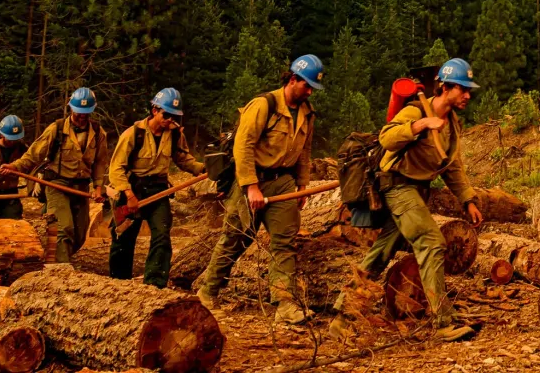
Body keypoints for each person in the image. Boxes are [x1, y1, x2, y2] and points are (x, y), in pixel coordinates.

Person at [354, 57, 482, 339]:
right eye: (463, 89)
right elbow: (386, 138)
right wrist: (420, 125)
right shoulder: (416, 110)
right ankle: (442, 322)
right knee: (432, 243)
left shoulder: (452, 124)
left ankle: (343, 313)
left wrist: (467, 200)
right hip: (397, 186)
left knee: (381, 253)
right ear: (446, 87)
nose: (468, 95)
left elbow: (452, 166)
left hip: (415, 192)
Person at [198, 55, 323, 324]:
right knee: (235, 238)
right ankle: (208, 292)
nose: (310, 91)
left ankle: (284, 303)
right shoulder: (264, 105)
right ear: (293, 80)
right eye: (307, 86)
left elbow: (305, 151)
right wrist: (251, 186)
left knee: (284, 243)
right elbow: (242, 146)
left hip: (283, 182)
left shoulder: (307, 113)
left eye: (313, 87)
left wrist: (302, 185)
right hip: (252, 180)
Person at [108, 88, 206, 288]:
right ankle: (118, 284)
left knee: (162, 235)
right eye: (166, 115)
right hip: (132, 189)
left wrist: (202, 169)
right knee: (123, 238)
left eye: (174, 117)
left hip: (159, 190)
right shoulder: (133, 134)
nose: (170, 120)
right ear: (155, 110)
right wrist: (128, 194)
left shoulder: (175, 135)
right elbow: (116, 167)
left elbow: (183, 159)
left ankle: (154, 284)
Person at [4, 87, 110, 264]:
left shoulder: (98, 133)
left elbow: (100, 163)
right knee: (64, 228)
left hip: (81, 187)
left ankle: (59, 258)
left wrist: (98, 187)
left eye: (86, 113)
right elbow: (34, 154)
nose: (82, 116)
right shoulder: (57, 128)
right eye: (78, 112)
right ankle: (61, 270)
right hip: (57, 184)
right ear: (71, 109)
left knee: (80, 233)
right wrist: (15, 166)